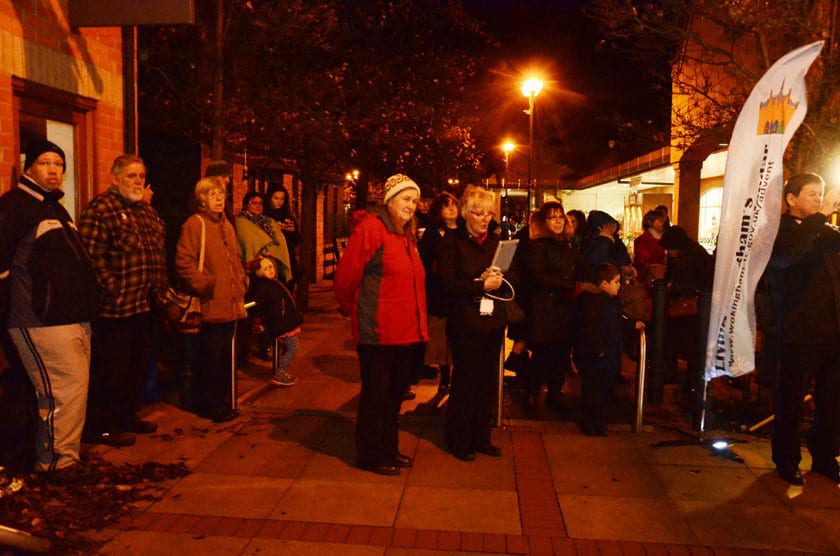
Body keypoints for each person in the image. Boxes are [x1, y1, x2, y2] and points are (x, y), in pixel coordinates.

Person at [0, 138, 100, 482]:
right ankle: (56, 464)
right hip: (40, 321)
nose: (54, 170)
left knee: (72, 390)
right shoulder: (15, 206)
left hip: (71, 318)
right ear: (29, 167)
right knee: (61, 390)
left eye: (59, 164)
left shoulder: (56, 208)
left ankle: (64, 457)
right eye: (45, 163)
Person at [334, 174, 428, 476]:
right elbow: (347, 275)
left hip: (404, 332)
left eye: (414, 201)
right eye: (405, 199)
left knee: (393, 395)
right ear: (389, 200)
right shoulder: (372, 229)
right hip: (379, 331)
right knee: (377, 395)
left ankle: (388, 447)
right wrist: (351, 309)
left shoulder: (405, 234)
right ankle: (371, 454)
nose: (411, 206)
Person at [79, 155, 168, 447]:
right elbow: (92, 256)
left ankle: (127, 416)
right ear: (115, 178)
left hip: (146, 305)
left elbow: (156, 254)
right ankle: (103, 426)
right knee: (111, 371)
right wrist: (113, 288)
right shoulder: (101, 209)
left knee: (137, 367)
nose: (138, 181)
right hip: (116, 310)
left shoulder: (146, 212)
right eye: (131, 176)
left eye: (141, 176)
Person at [767, 173, 840, 485]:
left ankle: (824, 456)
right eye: (811, 193)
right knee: (791, 400)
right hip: (799, 330)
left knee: (833, 401)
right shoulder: (780, 231)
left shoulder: (825, 231)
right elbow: (786, 257)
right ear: (791, 199)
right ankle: (786, 459)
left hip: (833, 330)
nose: (817, 198)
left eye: (821, 194)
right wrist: (820, 217)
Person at [439, 187, 512, 461]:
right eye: (478, 213)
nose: (484, 218)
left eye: (488, 213)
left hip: (491, 322)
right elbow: (447, 283)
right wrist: (479, 284)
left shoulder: (496, 241)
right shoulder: (451, 242)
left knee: (487, 381)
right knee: (466, 381)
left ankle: (482, 436)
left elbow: (509, 277)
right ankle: (459, 439)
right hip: (465, 322)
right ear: (465, 213)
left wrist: (498, 277)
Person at [176, 177, 247, 423]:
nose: (219, 199)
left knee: (225, 357)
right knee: (211, 357)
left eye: (221, 194)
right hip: (211, 303)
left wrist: (242, 281)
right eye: (213, 194)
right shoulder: (195, 224)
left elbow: (236, 257)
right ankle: (209, 404)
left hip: (231, 302)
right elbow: (183, 261)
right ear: (202, 198)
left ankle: (221, 401)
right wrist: (204, 283)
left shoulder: (226, 224)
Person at [522, 201, 589, 410]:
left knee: (561, 354)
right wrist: (572, 285)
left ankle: (554, 392)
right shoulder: (538, 245)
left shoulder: (567, 243)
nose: (558, 221)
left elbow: (582, 266)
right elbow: (538, 276)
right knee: (543, 355)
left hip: (566, 309)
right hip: (546, 309)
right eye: (552, 217)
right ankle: (532, 392)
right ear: (544, 221)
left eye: (560, 217)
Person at [574, 263, 644, 436]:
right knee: (593, 390)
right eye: (616, 281)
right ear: (604, 284)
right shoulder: (592, 301)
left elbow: (618, 319)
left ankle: (600, 422)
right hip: (596, 355)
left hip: (609, 353)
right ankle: (590, 422)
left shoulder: (612, 301)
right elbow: (589, 329)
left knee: (605, 390)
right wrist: (599, 350)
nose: (619, 285)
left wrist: (631, 324)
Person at [417, 192, 459, 394]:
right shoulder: (432, 232)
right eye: (447, 205)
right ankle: (445, 375)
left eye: (454, 205)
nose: (452, 209)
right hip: (438, 293)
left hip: (458, 293)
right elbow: (424, 261)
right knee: (441, 336)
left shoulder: (462, 231)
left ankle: (455, 374)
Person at [246, 257, 301, 387]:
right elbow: (255, 302)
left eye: (270, 267)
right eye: (265, 268)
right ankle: (280, 373)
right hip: (281, 324)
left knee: (291, 346)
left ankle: (281, 370)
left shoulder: (274, 283)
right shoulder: (265, 286)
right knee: (293, 347)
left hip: (286, 322)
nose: (270, 270)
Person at [264, 183, 300, 289]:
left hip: (288, 259)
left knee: (288, 289)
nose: (279, 202)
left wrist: (292, 231)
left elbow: (296, 241)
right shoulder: (265, 216)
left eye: (282, 198)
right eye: (276, 198)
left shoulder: (288, 215)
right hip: (273, 260)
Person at [633, 210, 667, 278]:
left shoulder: (665, 237)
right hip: (648, 278)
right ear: (649, 222)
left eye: (663, 221)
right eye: (659, 221)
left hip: (664, 276)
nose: (662, 223)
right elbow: (642, 262)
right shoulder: (642, 240)